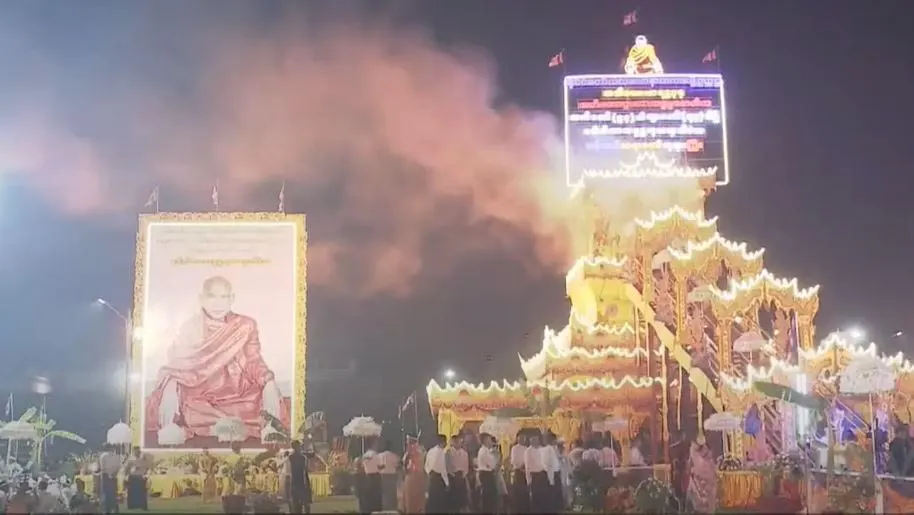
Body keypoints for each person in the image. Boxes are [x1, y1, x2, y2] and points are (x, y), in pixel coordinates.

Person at [145, 276, 287, 444]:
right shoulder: (190, 327)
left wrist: (269, 381)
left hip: (238, 391)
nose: (218, 304)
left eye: (224, 297)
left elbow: (253, 361)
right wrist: (169, 387)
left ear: (232, 299)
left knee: (256, 403)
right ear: (201, 298)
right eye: (212, 296)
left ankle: (231, 426)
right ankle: (196, 427)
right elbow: (178, 365)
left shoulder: (245, 325)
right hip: (201, 392)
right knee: (190, 407)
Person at [686, 436, 718, 513]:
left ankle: (707, 508)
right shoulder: (694, 453)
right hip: (699, 479)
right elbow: (689, 464)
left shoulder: (705, 457)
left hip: (707, 480)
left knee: (709, 496)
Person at [524, 434, 552, 511]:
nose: (535, 441)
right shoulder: (528, 451)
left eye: (536, 439)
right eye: (533, 439)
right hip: (535, 476)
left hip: (543, 475)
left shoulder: (543, 449)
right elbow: (527, 467)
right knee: (536, 498)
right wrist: (528, 481)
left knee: (545, 498)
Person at [425, 434, 451, 514]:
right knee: (439, 502)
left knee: (432, 500)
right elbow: (442, 469)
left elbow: (426, 465)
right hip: (438, 479)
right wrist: (447, 483)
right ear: (443, 442)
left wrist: (429, 473)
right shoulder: (441, 452)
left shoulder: (430, 451)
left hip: (431, 477)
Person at [402, 437, 427, 514]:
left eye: (410, 443)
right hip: (410, 479)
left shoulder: (420, 453)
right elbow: (405, 468)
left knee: (418, 502)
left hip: (418, 479)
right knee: (409, 502)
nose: (408, 445)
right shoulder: (407, 455)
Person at [287, 440, 313, 514]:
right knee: (304, 502)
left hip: (297, 481)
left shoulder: (292, 457)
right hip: (301, 481)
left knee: (298, 503)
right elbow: (306, 469)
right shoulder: (302, 457)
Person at [476, 433, 499, 512]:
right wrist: (496, 455)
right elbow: (492, 465)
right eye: (489, 439)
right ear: (485, 440)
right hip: (486, 475)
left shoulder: (487, 450)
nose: (491, 441)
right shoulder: (484, 451)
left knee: (491, 497)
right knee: (488, 498)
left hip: (488, 475)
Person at [447, 435, 470, 513]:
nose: (458, 443)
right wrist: (453, 476)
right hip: (452, 478)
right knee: (453, 500)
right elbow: (448, 466)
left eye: (459, 441)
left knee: (462, 500)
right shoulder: (449, 452)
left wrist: (462, 476)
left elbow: (466, 467)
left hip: (461, 478)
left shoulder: (464, 453)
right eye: (455, 441)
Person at [98, 444, 122, 514]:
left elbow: (103, 468)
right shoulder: (116, 456)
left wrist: (110, 473)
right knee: (113, 493)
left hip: (107, 476)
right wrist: (113, 473)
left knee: (107, 493)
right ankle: (113, 509)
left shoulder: (103, 456)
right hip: (112, 476)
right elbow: (118, 467)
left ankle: (108, 509)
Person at [509, 433, 530, 514]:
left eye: (523, 438)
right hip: (518, 472)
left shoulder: (526, 448)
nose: (522, 439)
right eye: (520, 438)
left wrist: (525, 466)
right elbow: (513, 461)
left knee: (525, 492)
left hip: (525, 472)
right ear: (517, 438)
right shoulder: (514, 448)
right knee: (518, 492)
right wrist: (521, 466)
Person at [125, 446, 151, 510]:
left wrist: (146, 475)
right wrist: (133, 469)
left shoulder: (143, 460)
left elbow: (148, 468)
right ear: (133, 452)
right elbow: (126, 470)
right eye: (136, 451)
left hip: (141, 477)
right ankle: (132, 506)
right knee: (132, 493)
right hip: (132, 477)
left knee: (142, 493)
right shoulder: (130, 460)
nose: (137, 452)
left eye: (138, 451)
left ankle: (143, 506)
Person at [542, 432, 563, 512]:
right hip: (550, 474)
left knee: (557, 493)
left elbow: (559, 459)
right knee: (552, 494)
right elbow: (547, 463)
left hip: (557, 473)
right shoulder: (546, 449)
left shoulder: (555, 448)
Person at [377, 440, 400, 511]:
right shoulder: (394, 456)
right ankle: (392, 507)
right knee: (392, 493)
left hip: (382, 475)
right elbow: (397, 465)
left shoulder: (379, 455)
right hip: (391, 475)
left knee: (383, 493)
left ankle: (384, 507)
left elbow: (378, 466)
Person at [362, 442, 382, 513]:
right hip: (375, 476)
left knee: (368, 494)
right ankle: (375, 509)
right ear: (373, 445)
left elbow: (362, 465)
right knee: (376, 494)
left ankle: (368, 509)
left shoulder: (365, 455)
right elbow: (379, 465)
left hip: (367, 476)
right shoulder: (375, 454)